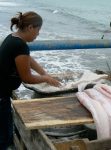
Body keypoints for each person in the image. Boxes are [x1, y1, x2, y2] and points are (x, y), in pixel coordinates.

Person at [0, 11, 61, 149]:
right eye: (38, 31)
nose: (38, 34)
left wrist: (44, 72)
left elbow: (28, 59)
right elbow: (27, 78)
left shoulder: (13, 37)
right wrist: (46, 79)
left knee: (5, 129)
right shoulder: (20, 45)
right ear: (30, 28)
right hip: (1, 95)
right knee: (4, 136)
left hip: (2, 92)